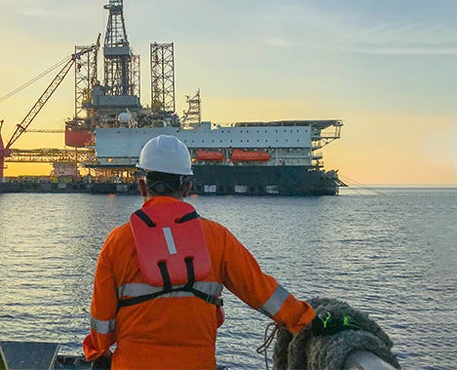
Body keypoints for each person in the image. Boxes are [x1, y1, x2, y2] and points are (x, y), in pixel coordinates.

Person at [83, 135, 315, 369]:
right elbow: (263, 292)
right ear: (187, 187)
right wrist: (307, 320)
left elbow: (101, 324)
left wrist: (96, 351)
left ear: (141, 186)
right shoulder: (217, 238)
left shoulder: (117, 242)